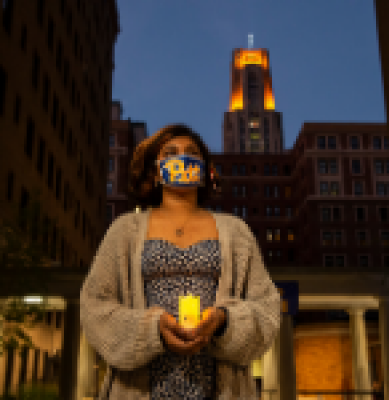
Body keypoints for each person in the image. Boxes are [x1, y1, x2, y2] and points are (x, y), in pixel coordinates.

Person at [80, 124, 281, 399]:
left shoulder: (236, 231)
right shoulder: (124, 229)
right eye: (171, 152)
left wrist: (223, 321)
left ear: (205, 170)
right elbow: (94, 306)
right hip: (138, 388)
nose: (182, 158)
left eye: (192, 152)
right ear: (154, 170)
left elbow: (267, 308)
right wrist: (153, 330)